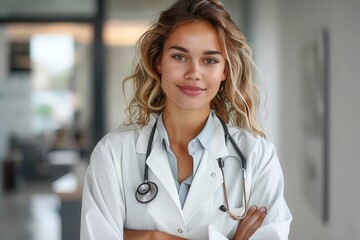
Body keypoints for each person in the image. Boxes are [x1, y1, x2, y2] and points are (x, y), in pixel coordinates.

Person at [80, 0, 292, 239]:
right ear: (158, 62)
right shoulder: (113, 153)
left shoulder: (257, 156)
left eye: (210, 60)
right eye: (179, 57)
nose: (194, 73)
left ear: (225, 70)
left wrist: (153, 237)